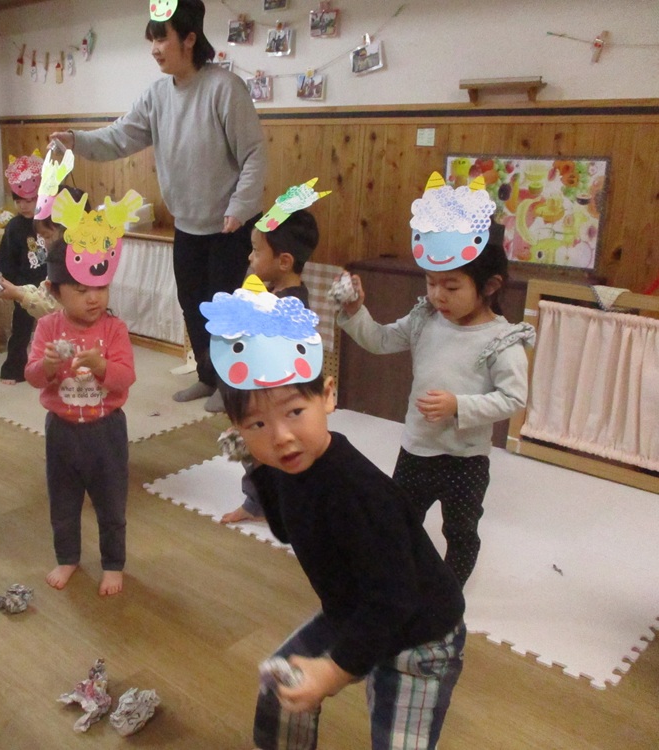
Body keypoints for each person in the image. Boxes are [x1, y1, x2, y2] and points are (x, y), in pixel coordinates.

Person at [201, 282, 465, 750]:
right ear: (238, 428)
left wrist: (335, 669)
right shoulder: (284, 463)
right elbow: (288, 529)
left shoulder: (356, 491)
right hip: (355, 611)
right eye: (257, 424)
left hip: (421, 634)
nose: (281, 437)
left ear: (327, 395)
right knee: (281, 686)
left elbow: (395, 598)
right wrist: (256, 467)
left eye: (294, 412)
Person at [50, 0, 266, 412]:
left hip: (230, 225)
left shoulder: (224, 88)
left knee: (226, 310)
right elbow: (118, 137)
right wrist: (75, 140)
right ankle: (207, 377)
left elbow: (254, 154)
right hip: (188, 224)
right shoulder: (157, 96)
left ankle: (232, 387)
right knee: (192, 304)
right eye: (151, 39)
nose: (154, 49)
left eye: (161, 39)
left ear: (189, 39)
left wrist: (240, 207)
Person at [337, 173, 534, 586]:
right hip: (417, 449)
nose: (438, 295)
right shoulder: (425, 318)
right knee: (399, 521)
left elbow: (514, 399)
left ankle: (447, 593)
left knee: (460, 531)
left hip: (466, 459)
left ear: (490, 286)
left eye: (452, 286)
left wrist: (459, 406)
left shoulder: (501, 340)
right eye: (430, 282)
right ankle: (396, 581)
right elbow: (380, 340)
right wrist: (356, 311)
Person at [24, 241, 136, 597]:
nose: (93, 298)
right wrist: (47, 366)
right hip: (62, 430)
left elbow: (125, 377)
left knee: (111, 504)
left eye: (101, 287)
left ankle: (113, 563)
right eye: (81, 290)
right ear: (54, 290)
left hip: (107, 430)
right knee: (63, 504)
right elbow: (32, 376)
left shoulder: (114, 328)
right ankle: (67, 557)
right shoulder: (47, 327)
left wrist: (102, 366)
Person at [219, 186, 324, 524]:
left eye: (255, 251)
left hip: (274, 398)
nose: (250, 259)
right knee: (260, 454)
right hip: (265, 396)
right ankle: (262, 504)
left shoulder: (288, 305)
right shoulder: (276, 293)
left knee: (271, 456)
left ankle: (271, 508)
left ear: (284, 261)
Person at [0, 186, 90, 320]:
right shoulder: (58, 262)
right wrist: (16, 290)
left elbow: (57, 309)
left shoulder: (80, 265)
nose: (44, 243)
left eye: (47, 236)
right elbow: (44, 293)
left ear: (69, 231)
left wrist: (19, 294)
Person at [0, 151, 46, 384]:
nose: (24, 206)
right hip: (23, 287)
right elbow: (6, 258)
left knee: (55, 327)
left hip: (50, 285)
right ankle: (13, 369)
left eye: (29, 200)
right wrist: (5, 283)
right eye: (19, 201)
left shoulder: (49, 221)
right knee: (21, 329)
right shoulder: (14, 227)